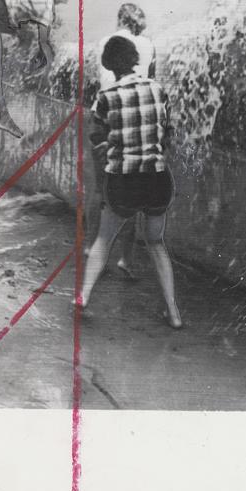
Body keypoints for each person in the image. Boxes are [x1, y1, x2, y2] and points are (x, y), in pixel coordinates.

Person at [79, 35, 181, 329]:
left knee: (104, 239)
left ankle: (84, 296)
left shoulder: (106, 97)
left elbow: (97, 140)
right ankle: (173, 312)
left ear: (110, 66)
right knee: (156, 243)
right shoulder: (158, 89)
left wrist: (116, 150)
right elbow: (167, 135)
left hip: (123, 180)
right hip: (157, 179)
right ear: (136, 58)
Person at [87, 4, 158, 278]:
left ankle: (91, 249)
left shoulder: (104, 42)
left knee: (99, 191)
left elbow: (101, 80)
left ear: (119, 20)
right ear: (139, 23)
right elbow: (150, 83)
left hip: (102, 114)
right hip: (131, 118)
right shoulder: (147, 44)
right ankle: (125, 260)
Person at [0, 0, 78, 138]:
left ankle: (19, 78)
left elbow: (28, 16)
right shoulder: (47, 5)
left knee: (25, 37)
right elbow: (44, 42)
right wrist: (50, 66)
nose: (66, 1)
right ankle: (5, 114)